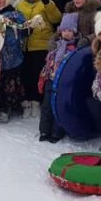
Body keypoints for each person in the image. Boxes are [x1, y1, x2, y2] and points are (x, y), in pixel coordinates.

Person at [16, 0, 62, 118]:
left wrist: (48, 4)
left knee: (37, 74)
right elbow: (16, 21)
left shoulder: (46, 3)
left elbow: (56, 18)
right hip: (24, 45)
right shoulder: (20, 4)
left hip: (41, 44)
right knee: (25, 75)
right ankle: (27, 102)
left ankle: (36, 101)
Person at [38, 12, 78, 142]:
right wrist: (43, 77)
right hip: (50, 79)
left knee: (58, 107)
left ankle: (56, 132)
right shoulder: (55, 46)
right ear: (60, 31)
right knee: (47, 106)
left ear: (74, 33)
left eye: (70, 31)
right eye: (64, 30)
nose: (67, 33)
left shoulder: (74, 49)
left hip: (63, 83)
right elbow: (48, 63)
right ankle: (44, 130)